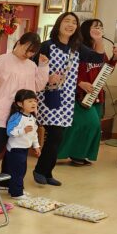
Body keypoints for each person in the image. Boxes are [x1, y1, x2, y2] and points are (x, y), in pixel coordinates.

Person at [0, 33, 49, 170]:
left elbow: (38, 86)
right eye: (27, 49)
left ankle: (6, 178)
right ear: (20, 42)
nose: (28, 54)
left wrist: (43, 67)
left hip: (21, 111)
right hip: (2, 108)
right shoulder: (3, 60)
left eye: (32, 52)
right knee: (0, 142)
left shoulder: (31, 65)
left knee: (13, 145)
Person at [57, 18, 117, 167]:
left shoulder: (100, 49)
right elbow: (66, 70)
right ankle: (68, 154)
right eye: (95, 26)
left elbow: (106, 70)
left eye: (101, 27)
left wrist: (114, 58)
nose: (98, 29)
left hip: (96, 95)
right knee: (89, 124)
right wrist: (80, 83)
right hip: (79, 94)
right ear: (85, 29)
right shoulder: (78, 48)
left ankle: (81, 155)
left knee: (94, 127)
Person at [34, 12, 82, 187]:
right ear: (58, 24)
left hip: (67, 98)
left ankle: (47, 172)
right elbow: (34, 67)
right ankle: (41, 170)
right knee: (55, 134)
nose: (70, 25)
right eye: (66, 21)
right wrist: (48, 76)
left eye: (74, 22)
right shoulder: (47, 45)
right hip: (48, 96)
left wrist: (98, 38)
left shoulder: (76, 48)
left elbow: (98, 57)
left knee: (57, 137)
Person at [3, 91, 40, 198]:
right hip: (15, 149)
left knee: (21, 171)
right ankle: (16, 193)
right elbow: (10, 132)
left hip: (24, 149)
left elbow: (34, 134)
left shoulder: (32, 118)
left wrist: (36, 146)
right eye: (29, 101)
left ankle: (17, 190)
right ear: (20, 104)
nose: (33, 104)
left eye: (35, 101)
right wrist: (23, 131)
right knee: (17, 172)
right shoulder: (16, 117)